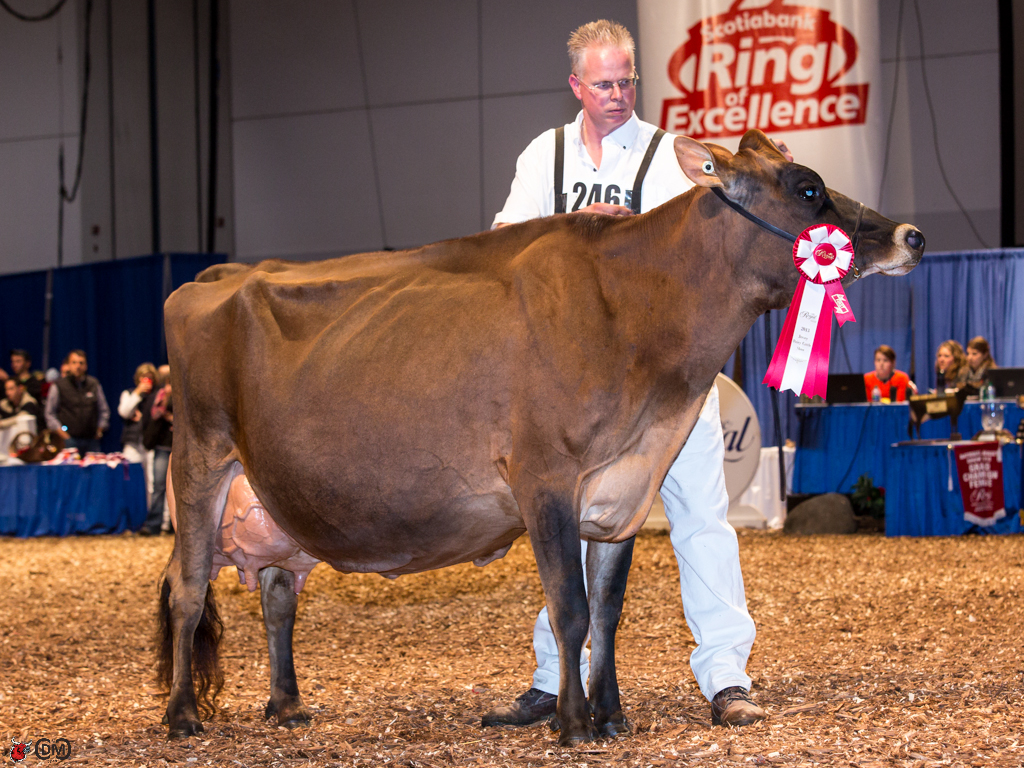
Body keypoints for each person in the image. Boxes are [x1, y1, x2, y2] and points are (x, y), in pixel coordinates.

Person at [483, 19, 766, 729]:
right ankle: (557, 678)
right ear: (576, 84)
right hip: (578, 388)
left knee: (703, 516)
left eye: (627, 79)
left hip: (669, 377)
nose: (618, 93)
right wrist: (575, 229)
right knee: (567, 526)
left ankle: (727, 676)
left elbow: (718, 237)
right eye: (604, 82)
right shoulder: (541, 157)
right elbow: (498, 248)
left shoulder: (673, 155)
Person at [44, 349, 110, 454]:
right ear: (68, 365)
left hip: (91, 440)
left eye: (81, 363)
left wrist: (99, 430)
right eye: (74, 362)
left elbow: (104, 410)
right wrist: (64, 434)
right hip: (68, 440)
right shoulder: (59, 386)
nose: (77, 366)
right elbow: (50, 414)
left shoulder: (93, 384)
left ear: (86, 366)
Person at [139, 366, 173, 535]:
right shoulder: (157, 398)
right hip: (161, 446)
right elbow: (149, 419)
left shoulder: (184, 396)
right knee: (159, 487)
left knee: (179, 489)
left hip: (179, 449)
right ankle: (154, 524)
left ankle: (176, 526)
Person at [118, 362, 157, 501]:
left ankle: (153, 517)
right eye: (143, 377)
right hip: (132, 444)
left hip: (151, 444)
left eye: (149, 378)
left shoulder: (157, 397)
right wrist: (137, 393)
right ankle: (130, 516)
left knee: (152, 483)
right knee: (129, 479)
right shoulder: (129, 394)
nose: (146, 381)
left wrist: (144, 417)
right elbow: (124, 412)